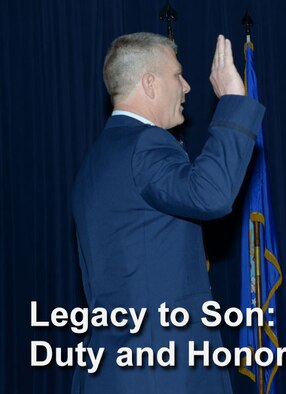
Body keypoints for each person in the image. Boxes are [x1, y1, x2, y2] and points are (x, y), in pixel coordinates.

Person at [71, 32, 265, 393]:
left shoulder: (95, 162)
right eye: (178, 75)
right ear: (149, 83)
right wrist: (235, 101)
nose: (188, 86)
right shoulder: (145, 143)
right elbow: (210, 195)